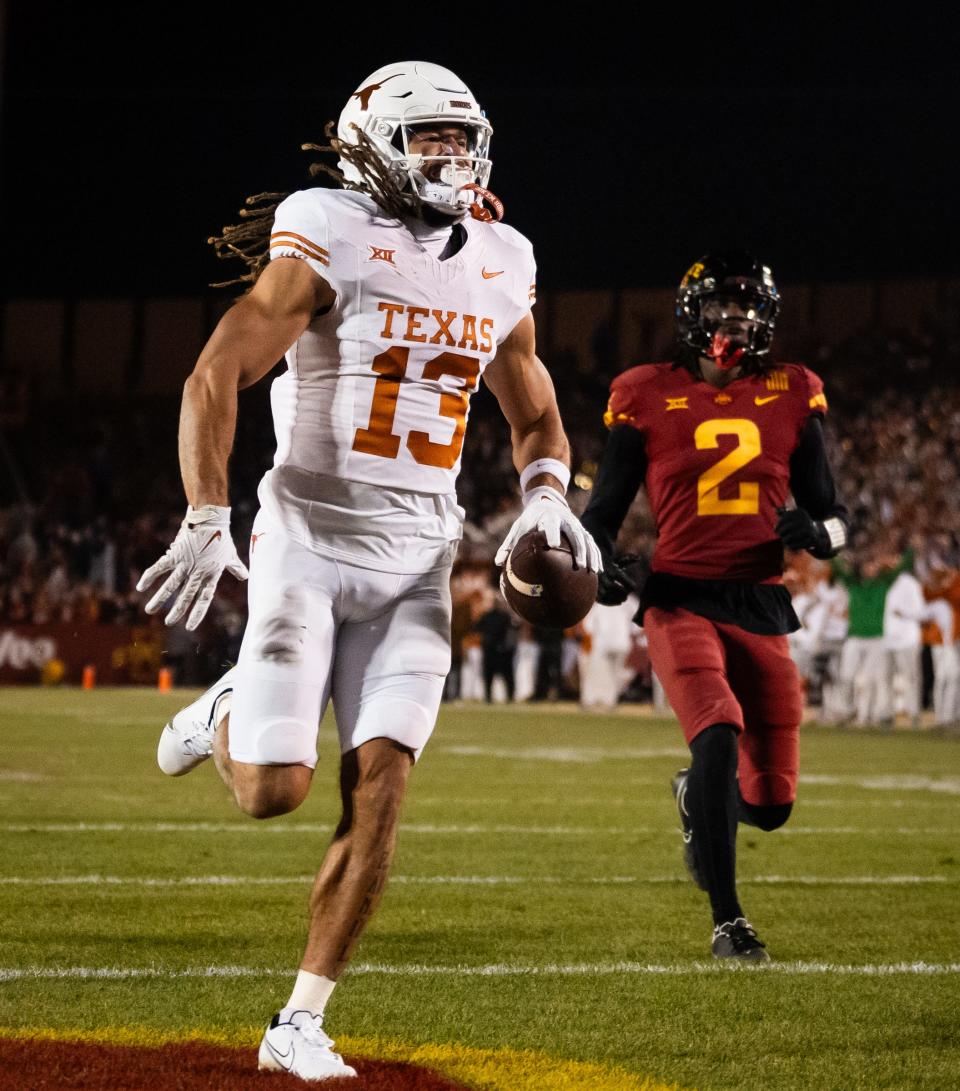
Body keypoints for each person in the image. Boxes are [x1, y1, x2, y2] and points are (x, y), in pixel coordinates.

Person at [136, 61, 600, 1081]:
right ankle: (224, 711)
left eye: (460, 137)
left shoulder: (501, 257)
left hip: (420, 554)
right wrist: (209, 509)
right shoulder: (327, 223)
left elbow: (535, 413)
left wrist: (548, 497)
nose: (451, 156)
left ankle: (298, 1018)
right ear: (371, 144)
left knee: (381, 781)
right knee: (273, 790)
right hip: (307, 535)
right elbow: (219, 365)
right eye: (429, 137)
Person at [581, 251, 849, 960]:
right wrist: (597, 561)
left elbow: (835, 511)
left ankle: (696, 799)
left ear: (768, 320)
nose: (733, 324)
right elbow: (602, 511)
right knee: (717, 730)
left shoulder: (794, 390)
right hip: (680, 595)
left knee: (771, 803)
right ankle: (729, 920)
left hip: (760, 600)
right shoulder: (645, 392)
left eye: (747, 311)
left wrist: (821, 533)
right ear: (689, 316)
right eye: (718, 310)